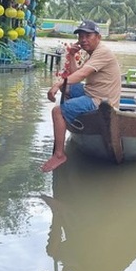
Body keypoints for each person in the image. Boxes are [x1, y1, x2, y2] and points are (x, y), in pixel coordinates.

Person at [41, 20, 121, 172]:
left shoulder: (102, 52)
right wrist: (71, 55)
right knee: (68, 89)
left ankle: (59, 154)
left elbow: (82, 74)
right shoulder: (92, 54)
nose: (83, 40)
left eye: (88, 36)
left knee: (57, 111)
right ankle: (69, 114)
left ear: (98, 37)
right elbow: (76, 74)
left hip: (101, 101)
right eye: (80, 36)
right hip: (92, 92)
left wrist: (58, 84)